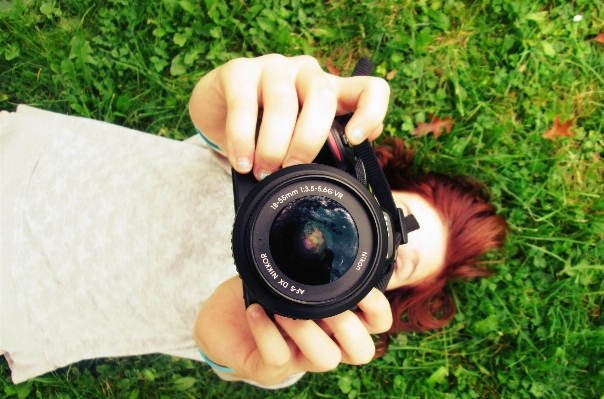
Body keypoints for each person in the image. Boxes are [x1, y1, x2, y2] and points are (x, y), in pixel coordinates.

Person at [0, 54, 506, 389]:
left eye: (395, 262)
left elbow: (221, 349)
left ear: (375, 291)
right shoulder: (282, 158)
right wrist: (242, 88)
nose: (327, 235)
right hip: (32, 170)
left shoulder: (292, 338)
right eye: (395, 218)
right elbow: (215, 115)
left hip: (22, 302)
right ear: (368, 182)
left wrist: (241, 347)